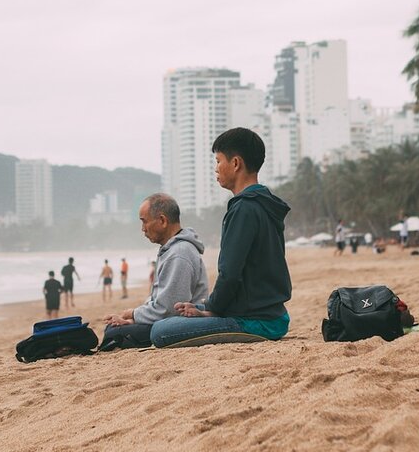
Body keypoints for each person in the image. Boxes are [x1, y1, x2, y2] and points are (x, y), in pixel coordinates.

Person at [150, 128, 292, 348]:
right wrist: (207, 306)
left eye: (218, 161)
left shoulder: (243, 209)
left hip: (256, 321)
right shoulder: (265, 203)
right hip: (274, 315)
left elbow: (230, 274)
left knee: (160, 331)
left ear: (235, 163)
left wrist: (211, 310)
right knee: (188, 310)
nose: (216, 169)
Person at [100, 193, 209, 350]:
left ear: (163, 221)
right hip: (167, 319)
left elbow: (169, 309)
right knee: (113, 328)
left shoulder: (179, 253)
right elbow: (159, 301)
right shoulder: (171, 250)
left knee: (113, 332)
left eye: (144, 222)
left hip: (179, 322)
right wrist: (133, 319)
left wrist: (133, 314)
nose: (143, 229)